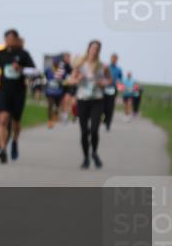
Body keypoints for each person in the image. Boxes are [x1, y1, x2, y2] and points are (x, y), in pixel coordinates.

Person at [0, 29, 37, 163]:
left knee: (15, 122)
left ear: (16, 39)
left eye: (11, 39)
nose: (8, 41)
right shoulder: (1, 53)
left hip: (18, 92)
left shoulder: (23, 54)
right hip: (3, 91)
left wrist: (21, 69)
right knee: (3, 119)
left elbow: (34, 71)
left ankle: (14, 141)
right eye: (6, 39)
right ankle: (3, 149)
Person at [69, 40, 112, 169]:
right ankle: (86, 157)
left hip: (97, 100)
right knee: (84, 131)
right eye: (93, 48)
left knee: (94, 130)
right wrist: (77, 79)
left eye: (97, 49)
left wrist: (104, 83)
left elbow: (110, 80)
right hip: (82, 100)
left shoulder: (103, 66)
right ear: (88, 49)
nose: (95, 50)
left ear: (99, 51)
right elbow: (70, 81)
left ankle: (94, 153)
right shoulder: (80, 65)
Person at [102, 53, 122, 131]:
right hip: (105, 88)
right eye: (112, 58)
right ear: (110, 59)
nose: (113, 60)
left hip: (113, 89)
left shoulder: (118, 69)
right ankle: (105, 118)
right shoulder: (106, 67)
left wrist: (119, 84)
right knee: (103, 106)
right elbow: (102, 76)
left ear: (116, 60)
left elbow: (120, 79)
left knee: (110, 107)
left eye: (115, 59)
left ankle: (108, 124)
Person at [44, 58, 66, 128]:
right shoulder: (48, 70)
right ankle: (50, 121)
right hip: (50, 91)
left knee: (57, 106)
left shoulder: (62, 71)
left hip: (58, 92)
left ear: (58, 64)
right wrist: (45, 82)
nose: (55, 64)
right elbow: (44, 76)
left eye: (57, 63)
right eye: (54, 62)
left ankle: (56, 114)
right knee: (50, 105)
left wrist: (62, 82)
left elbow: (65, 79)